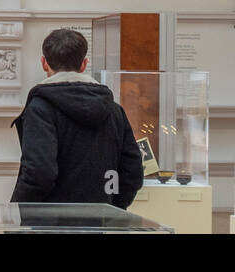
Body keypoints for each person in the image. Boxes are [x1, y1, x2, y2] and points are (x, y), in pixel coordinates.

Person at [10, 28, 143, 208]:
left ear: (44, 63)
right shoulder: (114, 111)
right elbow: (132, 173)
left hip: (51, 219)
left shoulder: (40, 108)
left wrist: (16, 211)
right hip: (100, 216)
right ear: (84, 64)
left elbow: (39, 173)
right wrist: (112, 208)